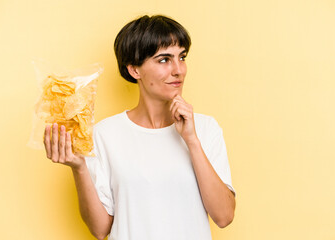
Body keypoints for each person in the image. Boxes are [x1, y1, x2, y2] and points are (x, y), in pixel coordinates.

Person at [43, 15, 236, 240]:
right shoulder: (105, 135)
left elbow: (224, 216)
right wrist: (79, 168)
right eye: (164, 59)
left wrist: (192, 140)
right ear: (135, 70)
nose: (178, 70)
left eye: (181, 57)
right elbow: (100, 229)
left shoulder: (206, 128)